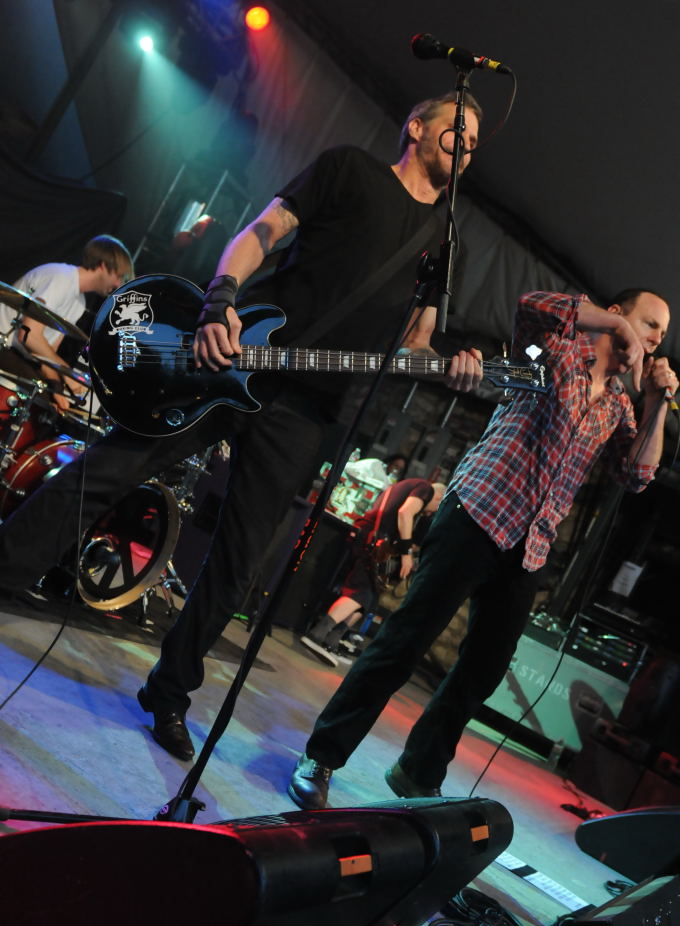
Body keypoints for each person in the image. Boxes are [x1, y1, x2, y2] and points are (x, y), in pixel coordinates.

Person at [0, 92, 484, 762]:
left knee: (239, 559)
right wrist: (219, 302)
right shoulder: (348, 168)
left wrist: (449, 365)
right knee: (111, 468)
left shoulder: (447, 240)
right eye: (458, 129)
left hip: (309, 407)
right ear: (418, 127)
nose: (467, 144)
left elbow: (416, 342)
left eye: (476, 141)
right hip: (234, 353)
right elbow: (263, 230)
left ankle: (170, 692)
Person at [287, 287, 678, 809]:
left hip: (530, 546)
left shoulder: (618, 406)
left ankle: (417, 772)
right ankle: (322, 756)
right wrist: (614, 329)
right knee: (403, 644)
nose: (655, 340)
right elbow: (531, 305)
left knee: (483, 670)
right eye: (649, 324)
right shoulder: (555, 351)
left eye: (662, 335)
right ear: (616, 314)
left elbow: (637, 475)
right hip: (478, 512)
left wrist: (656, 402)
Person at [301, 479, 445, 666]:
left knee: (369, 598)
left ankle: (331, 641)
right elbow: (405, 513)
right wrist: (406, 553)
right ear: (439, 497)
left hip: (372, 540)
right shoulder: (425, 489)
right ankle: (317, 634)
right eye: (436, 509)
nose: (430, 513)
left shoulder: (407, 486)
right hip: (372, 541)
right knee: (360, 592)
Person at [0, 235, 133, 415]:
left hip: (18, 354)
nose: (118, 284)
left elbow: (46, 354)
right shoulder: (61, 277)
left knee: (54, 407)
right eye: (118, 276)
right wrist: (66, 372)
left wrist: (57, 387)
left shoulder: (80, 303)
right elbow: (28, 335)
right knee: (40, 401)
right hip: (4, 345)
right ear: (102, 265)